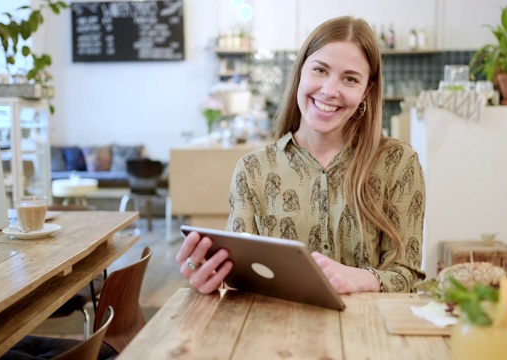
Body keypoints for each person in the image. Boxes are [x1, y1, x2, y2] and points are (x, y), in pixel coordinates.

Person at [176, 16, 425, 294]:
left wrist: (362, 278)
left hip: (367, 334)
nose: (330, 91)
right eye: (320, 70)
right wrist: (210, 276)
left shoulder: (398, 163)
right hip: (277, 330)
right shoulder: (253, 169)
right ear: (300, 72)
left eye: (350, 78)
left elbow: (408, 274)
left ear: (366, 91)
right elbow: (237, 276)